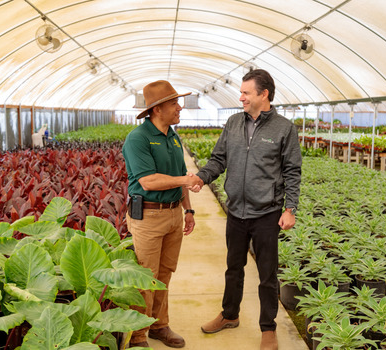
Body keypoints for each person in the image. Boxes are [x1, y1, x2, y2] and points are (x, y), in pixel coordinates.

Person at [191, 69, 302, 350]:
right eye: (240, 92)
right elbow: (218, 159)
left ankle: (268, 328)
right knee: (233, 267)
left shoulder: (283, 129)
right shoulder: (233, 124)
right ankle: (230, 315)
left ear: (263, 95)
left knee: (267, 274)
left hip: (266, 213)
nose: (240, 97)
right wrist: (202, 177)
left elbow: (292, 171)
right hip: (236, 211)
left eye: (246, 93)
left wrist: (290, 208)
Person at [122, 80, 199, 348]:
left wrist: (188, 209)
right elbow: (148, 181)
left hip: (173, 215)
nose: (180, 108)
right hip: (148, 217)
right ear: (157, 109)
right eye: (174, 104)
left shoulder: (172, 136)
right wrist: (185, 181)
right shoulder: (138, 139)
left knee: (164, 273)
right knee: (145, 277)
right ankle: (138, 335)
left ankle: (159, 325)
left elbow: (181, 176)